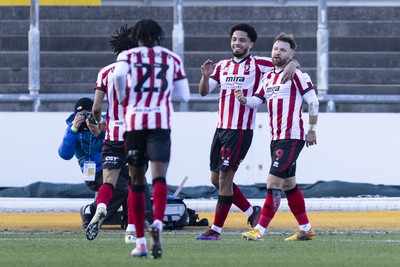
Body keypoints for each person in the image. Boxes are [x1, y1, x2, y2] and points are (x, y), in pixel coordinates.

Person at [195, 23, 299, 241]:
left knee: (224, 178)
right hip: (221, 129)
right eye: (234, 39)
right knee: (216, 179)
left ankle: (216, 230)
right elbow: (204, 92)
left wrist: (293, 63)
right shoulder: (222, 66)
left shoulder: (259, 63)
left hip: (240, 130)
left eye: (242, 40)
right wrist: (205, 76)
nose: (237, 43)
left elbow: (282, 61)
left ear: (251, 43)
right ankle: (252, 212)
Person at [113, 19, 190, 259]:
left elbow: (118, 77)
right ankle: (157, 222)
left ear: (136, 36)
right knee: (159, 176)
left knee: (136, 181)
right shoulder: (172, 58)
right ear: (159, 36)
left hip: (135, 123)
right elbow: (184, 96)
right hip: (160, 123)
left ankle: (140, 242)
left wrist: (125, 96)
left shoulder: (128, 56)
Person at [235, 32, 319, 241]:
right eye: (275, 49)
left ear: (291, 55)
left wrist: (312, 129)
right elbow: (258, 99)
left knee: (273, 182)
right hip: (276, 137)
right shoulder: (269, 76)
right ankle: (305, 229)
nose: (277, 52)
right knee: (289, 184)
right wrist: (244, 99)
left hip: (292, 136)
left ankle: (259, 230)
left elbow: (314, 102)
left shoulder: (297, 75)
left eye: (283, 50)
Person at [85, 25, 153, 243]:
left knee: (109, 180)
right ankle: (131, 229)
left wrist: (99, 123)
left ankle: (102, 206)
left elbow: (96, 108)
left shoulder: (106, 72)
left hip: (113, 133)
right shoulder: (145, 71)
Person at [58, 97, 130, 230]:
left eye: (88, 114)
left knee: (135, 177)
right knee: (121, 187)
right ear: (75, 116)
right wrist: (73, 129)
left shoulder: (104, 123)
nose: (85, 118)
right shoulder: (73, 130)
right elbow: (64, 154)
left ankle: (130, 218)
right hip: (94, 173)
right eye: (81, 114)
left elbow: (117, 146)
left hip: (112, 165)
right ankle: (91, 212)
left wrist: (100, 134)